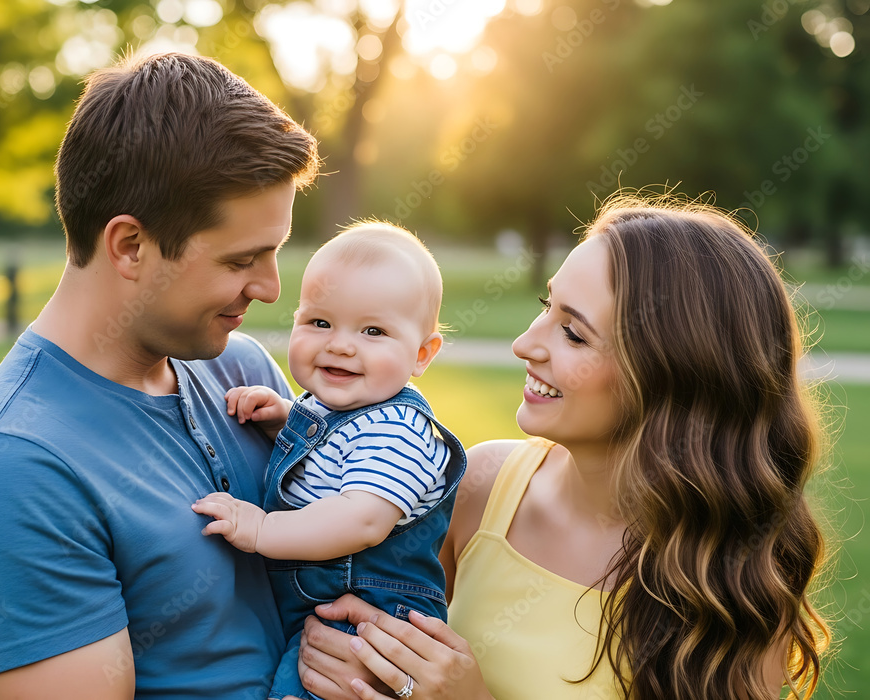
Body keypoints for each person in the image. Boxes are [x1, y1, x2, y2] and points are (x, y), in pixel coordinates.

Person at [296, 197, 831, 700]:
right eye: (545, 307)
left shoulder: (735, 580)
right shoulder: (479, 487)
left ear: (672, 376)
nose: (524, 344)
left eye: (573, 334)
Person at [0, 52, 319, 699]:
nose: (272, 289)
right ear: (130, 246)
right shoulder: (12, 470)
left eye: (274, 254)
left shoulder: (238, 368)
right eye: (242, 259)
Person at [191, 223, 467, 700]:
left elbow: (359, 519)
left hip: (372, 622)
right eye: (320, 323)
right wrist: (283, 422)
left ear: (422, 354)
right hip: (328, 607)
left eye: (373, 331)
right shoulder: (331, 408)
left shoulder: (398, 428)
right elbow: (335, 457)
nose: (340, 344)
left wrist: (261, 531)